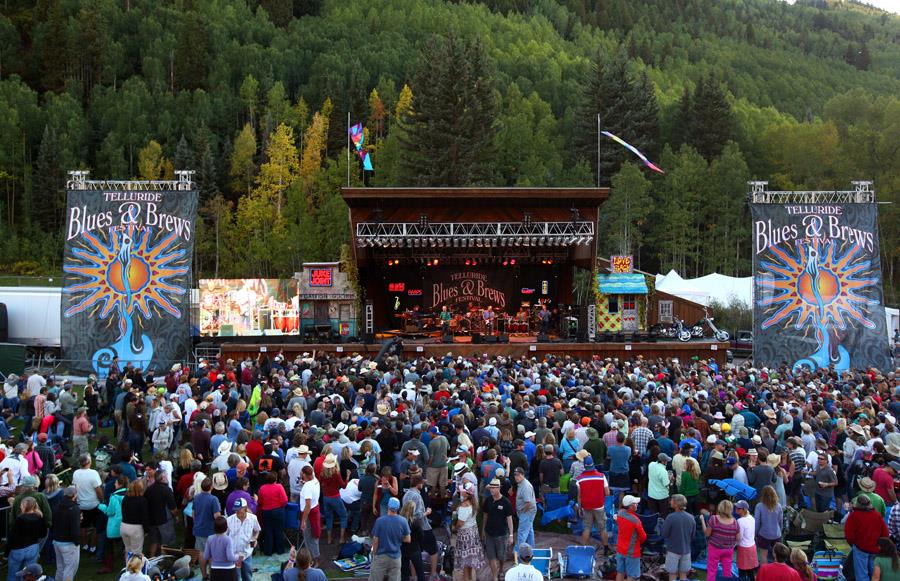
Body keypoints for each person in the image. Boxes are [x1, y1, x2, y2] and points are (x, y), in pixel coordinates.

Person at [846, 494, 890, 581]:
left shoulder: (854, 516)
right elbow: (885, 533)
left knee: (861, 574)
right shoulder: (877, 515)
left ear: (857, 503)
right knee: (875, 573)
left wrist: (854, 544)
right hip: (875, 548)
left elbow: (849, 535)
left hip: (860, 548)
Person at [5, 497, 48, 581]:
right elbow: (43, 533)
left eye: (21, 505)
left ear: (24, 506)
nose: (20, 506)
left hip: (18, 550)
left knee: (13, 575)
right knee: (28, 576)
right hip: (33, 548)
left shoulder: (20, 519)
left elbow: (12, 537)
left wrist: (6, 554)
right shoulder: (39, 517)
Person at [369, 496, 411, 581]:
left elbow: (376, 540)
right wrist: (399, 538)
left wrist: (374, 553)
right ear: (398, 508)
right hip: (396, 557)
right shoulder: (403, 521)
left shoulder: (380, 521)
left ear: (388, 506)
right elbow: (408, 539)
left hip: (381, 556)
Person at [482, 478, 514, 581]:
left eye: (494, 488)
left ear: (499, 488)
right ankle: (495, 577)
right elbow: (485, 516)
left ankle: (501, 570)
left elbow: (509, 519)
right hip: (489, 533)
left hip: (501, 534)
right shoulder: (488, 501)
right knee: (491, 557)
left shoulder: (506, 502)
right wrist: (483, 530)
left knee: (501, 556)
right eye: (491, 488)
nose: (492, 490)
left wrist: (511, 535)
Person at [71, 453, 104, 553]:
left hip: (81, 505)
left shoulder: (76, 473)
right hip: (94, 504)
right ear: (89, 462)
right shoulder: (94, 473)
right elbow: (98, 490)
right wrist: (102, 500)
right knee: (95, 526)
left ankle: (84, 545)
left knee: (83, 526)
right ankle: (93, 546)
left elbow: (75, 488)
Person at [575, 455, 609, 550]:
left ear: (584, 465)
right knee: (602, 529)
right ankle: (606, 548)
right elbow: (607, 492)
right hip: (599, 506)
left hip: (586, 506)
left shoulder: (579, 479)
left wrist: (580, 508)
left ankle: (583, 549)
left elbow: (579, 496)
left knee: (587, 528)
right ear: (593, 464)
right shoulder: (602, 476)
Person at [701, 499, 740, 581]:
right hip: (728, 550)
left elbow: (707, 534)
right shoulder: (735, 522)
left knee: (712, 570)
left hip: (715, 549)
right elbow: (738, 538)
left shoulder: (714, 519)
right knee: (727, 571)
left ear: (720, 508)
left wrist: (702, 521)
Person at [660, 494, 696, 581]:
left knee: (672, 575)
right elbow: (693, 536)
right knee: (683, 575)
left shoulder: (670, 517)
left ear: (676, 504)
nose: (669, 502)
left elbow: (664, 534)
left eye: (671, 500)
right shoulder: (691, 518)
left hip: (673, 550)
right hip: (686, 550)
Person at [455, 483, 486, 581]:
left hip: (465, 535)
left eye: (462, 491)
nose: (460, 492)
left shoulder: (464, 505)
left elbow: (460, 523)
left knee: (464, 562)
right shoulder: (474, 502)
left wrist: (455, 528)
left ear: (466, 493)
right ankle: (470, 578)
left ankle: (466, 578)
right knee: (470, 560)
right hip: (473, 533)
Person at [226, 498, 261, 581]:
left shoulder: (253, 518)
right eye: (236, 511)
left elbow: (257, 530)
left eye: (239, 511)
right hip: (234, 554)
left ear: (245, 509)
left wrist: (255, 539)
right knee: (235, 578)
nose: (237, 513)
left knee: (247, 577)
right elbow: (225, 537)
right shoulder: (229, 520)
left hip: (246, 553)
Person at [51, 486, 81, 581]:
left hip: (57, 541)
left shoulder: (57, 506)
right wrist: (77, 542)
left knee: (60, 568)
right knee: (69, 568)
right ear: (74, 495)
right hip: (68, 543)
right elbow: (74, 528)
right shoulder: (74, 509)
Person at [615, 495, 647, 581]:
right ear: (631, 506)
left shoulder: (620, 513)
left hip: (620, 549)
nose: (637, 505)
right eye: (635, 503)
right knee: (632, 576)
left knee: (620, 572)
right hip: (632, 552)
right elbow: (643, 537)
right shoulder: (635, 520)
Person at [257, 471, 288, 555]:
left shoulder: (262, 488)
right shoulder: (279, 487)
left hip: (266, 511)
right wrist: (280, 506)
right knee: (279, 531)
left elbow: (260, 501)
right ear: (276, 479)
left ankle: (268, 551)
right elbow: (285, 500)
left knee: (268, 531)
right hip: (278, 511)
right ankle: (280, 550)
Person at [319, 453, 347, 545]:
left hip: (326, 498)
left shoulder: (322, 473)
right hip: (335, 497)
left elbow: (319, 483)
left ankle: (329, 539)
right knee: (343, 516)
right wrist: (347, 477)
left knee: (329, 518)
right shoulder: (336, 473)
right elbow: (343, 486)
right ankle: (342, 538)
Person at [193, 477, 223, 558]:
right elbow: (217, 516)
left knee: (201, 553)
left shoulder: (196, 497)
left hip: (198, 529)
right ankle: (211, 571)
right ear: (211, 487)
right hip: (210, 531)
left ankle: (203, 571)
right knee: (211, 555)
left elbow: (193, 514)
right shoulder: (214, 499)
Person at [201, 516, 237, 581]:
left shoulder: (210, 538)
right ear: (226, 527)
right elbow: (230, 557)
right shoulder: (228, 539)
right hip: (228, 569)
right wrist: (237, 556)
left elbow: (206, 557)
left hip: (215, 569)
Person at [299, 465, 322, 566]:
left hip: (309, 514)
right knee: (313, 536)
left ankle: (313, 560)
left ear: (304, 474)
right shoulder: (315, 480)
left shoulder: (307, 487)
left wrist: (303, 521)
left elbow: (307, 505)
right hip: (314, 510)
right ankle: (314, 559)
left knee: (310, 539)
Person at [514, 467, 538, 553]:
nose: (516, 477)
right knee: (529, 532)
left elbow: (528, 502)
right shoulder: (521, 484)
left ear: (523, 475)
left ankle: (517, 554)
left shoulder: (525, 486)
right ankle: (532, 551)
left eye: (518, 475)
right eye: (515, 475)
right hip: (527, 511)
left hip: (527, 511)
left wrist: (522, 512)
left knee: (522, 534)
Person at [399, 501, 424, 581]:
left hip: (403, 549)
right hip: (415, 549)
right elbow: (421, 536)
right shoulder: (416, 522)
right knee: (420, 572)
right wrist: (421, 548)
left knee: (404, 572)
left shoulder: (400, 522)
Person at [735, 500, 759, 580]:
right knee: (751, 572)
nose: (736, 509)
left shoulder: (740, 521)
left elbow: (739, 537)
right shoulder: (752, 518)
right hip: (752, 547)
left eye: (738, 508)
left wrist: (733, 543)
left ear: (743, 509)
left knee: (742, 573)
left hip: (743, 548)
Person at [647, 453, 672, 517]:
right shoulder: (663, 471)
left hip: (651, 495)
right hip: (662, 497)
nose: (667, 462)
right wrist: (670, 478)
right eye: (666, 461)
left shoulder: (651, 464)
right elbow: (666, 484)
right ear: (663, 461)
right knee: (664, 515)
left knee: (653, 515)